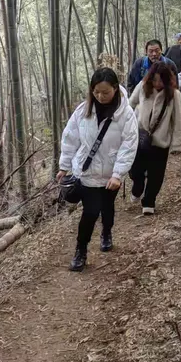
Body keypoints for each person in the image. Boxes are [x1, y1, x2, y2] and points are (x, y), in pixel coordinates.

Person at [58, 67, 138, 272]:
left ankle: (106, 232)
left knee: (108, 209)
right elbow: (70, 138)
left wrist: (118, 174)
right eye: (96, 92)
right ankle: (80, 250)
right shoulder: (83, 110)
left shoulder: (125, 114)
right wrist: (64, 165)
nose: (100, 96)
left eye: (105, 92)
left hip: (111, 174)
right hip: (86, 173)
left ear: (115, 89)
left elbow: (128, 145)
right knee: (90, 212)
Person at [129, 61, 181, 214]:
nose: (157, 83)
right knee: (135, 171)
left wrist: (178, 145)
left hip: (160, 142)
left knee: (156, 174)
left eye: (161, 80)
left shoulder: (174, 95)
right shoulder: (142, 87)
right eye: (154, 80)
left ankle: (149, 202)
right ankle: (137, 188)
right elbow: (130, 105)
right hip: (140, 138)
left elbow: (179, 120)